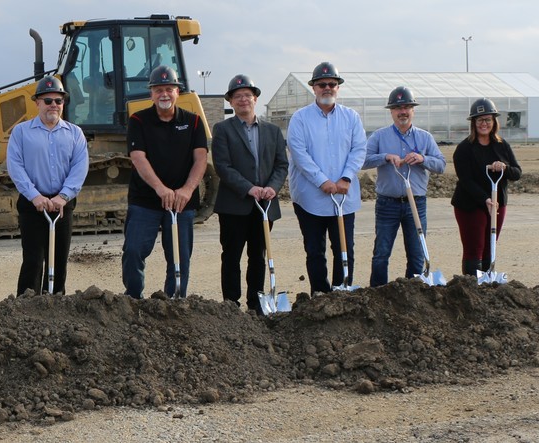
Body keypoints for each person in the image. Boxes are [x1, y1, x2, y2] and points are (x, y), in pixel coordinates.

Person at [122, 65, 209, 299]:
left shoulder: (193, 122)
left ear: (177, 92)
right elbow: (138, 158)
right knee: (133, 251)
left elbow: (201, 159)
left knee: (180, 257)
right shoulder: (139, 120)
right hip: (145, 201)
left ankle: (175, 301)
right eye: (158, 89)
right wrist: (160, 189)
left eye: (169, 89)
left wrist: (187, 190)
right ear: (151, 93)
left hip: (182, 202)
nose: (164, 94)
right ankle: (132, 297)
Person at [287, 62, 367, 294]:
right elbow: (299, 153)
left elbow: (359, 149)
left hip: (344, 195)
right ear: (314, 87)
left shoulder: (351, 117)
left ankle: (341, 290)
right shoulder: (300, 118)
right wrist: (322, 181)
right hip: (310, 197)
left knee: (344, 248)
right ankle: (320, 294)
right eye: (322, 84)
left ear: (338, 88)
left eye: (332, 84)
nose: (327, 88)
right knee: (315, 249)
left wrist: (345, 178)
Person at [211, 75, 289, 313]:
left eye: (247, 95)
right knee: (232, 255)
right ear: (231, 102)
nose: (243, 100)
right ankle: (231, 305)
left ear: (255, 99)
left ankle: (256, 304)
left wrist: (272, 188)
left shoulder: (273, 131)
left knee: (258, 256)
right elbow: (223, 166)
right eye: (237, 96)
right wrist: (249, 188)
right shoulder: (222, 129)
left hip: (264, 205)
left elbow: (281, 165)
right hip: (234, 205)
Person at [6, 77, 89, 296]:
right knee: (33, 259)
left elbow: (79, 168)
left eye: (58, 101)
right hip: (33, 205)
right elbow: (15, 166)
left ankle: (56, 301)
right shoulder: (21, 132)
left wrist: (63, 196)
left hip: (63, 204)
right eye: (48, 100)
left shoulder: (75, 133)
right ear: (38, 103)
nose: (54, 105)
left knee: (60, 258)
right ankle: (27, 305)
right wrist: (35, 196)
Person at [362, 87, 446, 286]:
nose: (403, 112)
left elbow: (441, 165)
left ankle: (412, 295)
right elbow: (362, 160)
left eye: (407, 107)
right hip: (387, 204)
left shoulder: (425, 138)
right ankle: (378, 295)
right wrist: (384, 157)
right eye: (398, 107)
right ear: (391, 111)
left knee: (417, 255)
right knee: (381, 254)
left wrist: (422, 158)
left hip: (415, 203)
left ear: (413, 110)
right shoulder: (379, 137)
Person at [451, 98, 522, 276]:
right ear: (473, 123)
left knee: (490, 246)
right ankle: (471, 289)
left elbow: (517, 173)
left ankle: (487, 287)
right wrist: (485, 199)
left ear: (494, 122)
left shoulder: (502, 145)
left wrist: (504, 168)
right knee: (475, 248)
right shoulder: (464, 149)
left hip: (497, 204)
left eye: (488, 119)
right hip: (470, 204)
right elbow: (465, 180)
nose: (484, 123)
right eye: (480, 120)